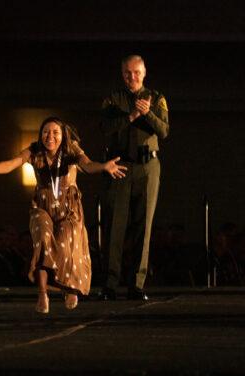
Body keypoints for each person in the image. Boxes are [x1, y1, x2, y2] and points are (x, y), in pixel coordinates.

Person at [0, 117, 127, 313]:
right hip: (42, 206)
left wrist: (103, 166)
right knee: (43, 239)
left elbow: (87, 165)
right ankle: (42, 293)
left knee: (67, 238)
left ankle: (70, 287)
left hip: (69, 208)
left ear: (63, 135)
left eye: (55, 132)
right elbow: (12, 163)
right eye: (45, 132)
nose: (49, 136)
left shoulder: (72, 149)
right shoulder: (34, 150)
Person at [99, 55, 169, 301]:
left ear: (144, 72)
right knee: (115, 226)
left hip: (148, 165)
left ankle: (136, 285)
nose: (132, 77)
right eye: (128, 73)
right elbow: (104, 128)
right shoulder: (113, 98)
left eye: (137, 72)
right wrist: (129, 117)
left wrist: (147, 114)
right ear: (122, 74)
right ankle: (109, 284)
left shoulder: (157, 98)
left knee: (143, 226)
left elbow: (164, 130)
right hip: (120, 165)